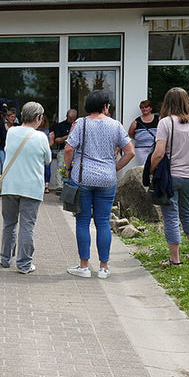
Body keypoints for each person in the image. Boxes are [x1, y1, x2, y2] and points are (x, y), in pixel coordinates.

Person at [63, 91, 135, 279]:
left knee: (83, 221)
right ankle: (104, 267)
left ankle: (84, 266)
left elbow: (69, 148)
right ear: (105, 106)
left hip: (83, 177)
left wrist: (69, 169)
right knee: (103, 222)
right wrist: (114, 167)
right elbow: (130, 152)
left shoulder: (80, 124)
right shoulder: (116, 125)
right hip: (107, 179)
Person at [150, 87, 189, 266]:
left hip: (170, 177)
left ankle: (174, 259)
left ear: (167, 103)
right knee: (187, 213)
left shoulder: (165, 122)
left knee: (170, 215)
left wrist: (151, 170)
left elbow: (159, 153)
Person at [0, 102, 53, 274]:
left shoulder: (11, 132)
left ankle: (5, 259)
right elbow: (48, 160)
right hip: (31, 188)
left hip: (9, 186)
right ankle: (24, 264)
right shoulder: (41, 137)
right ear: (38, 118)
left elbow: (8, 150)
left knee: (9, 223)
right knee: (27, 226)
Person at [50, 109, 77, 192]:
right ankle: (60, 187)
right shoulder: (60, 126)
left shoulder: (78, 125)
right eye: (70, 118)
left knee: (76, 168)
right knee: (61, 167)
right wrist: (68, 136)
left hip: (76, 151)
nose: (72, 120)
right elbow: (57, 140)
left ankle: (74, 185)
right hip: (63, 150)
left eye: (73, 118)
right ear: (66, 116)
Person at [128, 100, 159, 167]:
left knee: (155, 166)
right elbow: (130, 133)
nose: (144, 109)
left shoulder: (158, 119)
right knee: (143, 167)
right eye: (142, 107)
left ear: (151, 108)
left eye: (146, 107)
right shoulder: (137, 121)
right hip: (141, 149)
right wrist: (139, 138)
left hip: (155, 147)